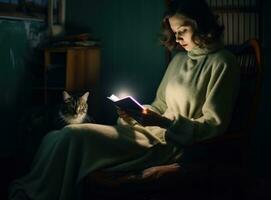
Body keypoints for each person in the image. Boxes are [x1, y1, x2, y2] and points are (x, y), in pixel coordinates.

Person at [9, 0, 239, 199]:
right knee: (53, 137)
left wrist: (164, 123)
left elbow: (213, 126)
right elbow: (159, 106)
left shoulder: (223, 62)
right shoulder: (179, 60)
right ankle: (32, 192)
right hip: (148, 133)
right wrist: (135, 113)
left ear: (201, 24)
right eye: (174, 31)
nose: (177, 38)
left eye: (183, 30)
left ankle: (33, 195)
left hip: (171, 145)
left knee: (73, 135)